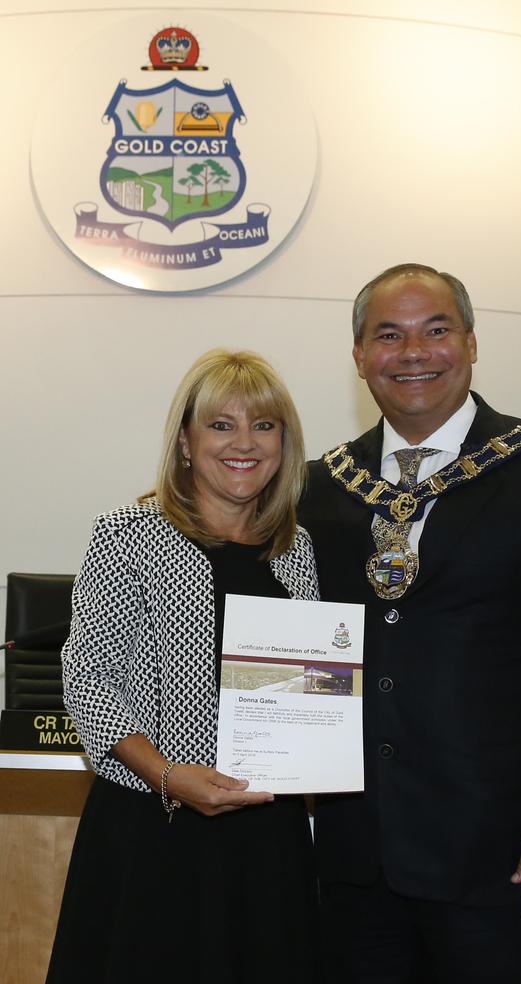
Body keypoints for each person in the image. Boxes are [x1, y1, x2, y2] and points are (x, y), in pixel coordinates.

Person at [299, 264, 521, 984]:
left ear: (471, 342)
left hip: (509, 859)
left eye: (436, 330)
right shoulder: (318, 489)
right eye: (388, 335)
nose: (414, 352)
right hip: (356, 864)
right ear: (360, 357)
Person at [47, 349, 320, 984]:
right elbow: (88, 677)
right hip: (154, 823)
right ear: (185, 443)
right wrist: (167, 776)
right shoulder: (128, 534)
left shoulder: (297, 549)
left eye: (264, 425)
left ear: (285, 442)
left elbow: (312, 682)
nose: (244, 443)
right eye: (221, 425)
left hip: (267, 831)